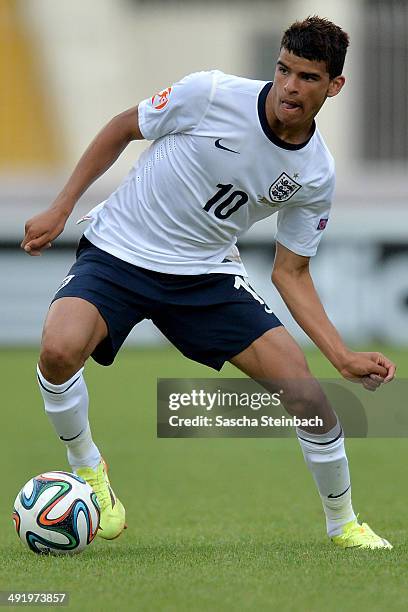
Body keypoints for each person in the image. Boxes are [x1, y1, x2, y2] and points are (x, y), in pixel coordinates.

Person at [22, 16, 396, 548]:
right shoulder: (211, 93)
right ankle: (89, 470)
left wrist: (340, 355)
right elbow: (122, 128)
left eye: (308, 77)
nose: (290, 86)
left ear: (334, 85)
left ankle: (345, 525)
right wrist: (62, 208)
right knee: (58, 350)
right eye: (284, 70)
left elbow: (291, 272)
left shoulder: (315, 173)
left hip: (205, 275)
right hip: (120, 251)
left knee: (309, 396)